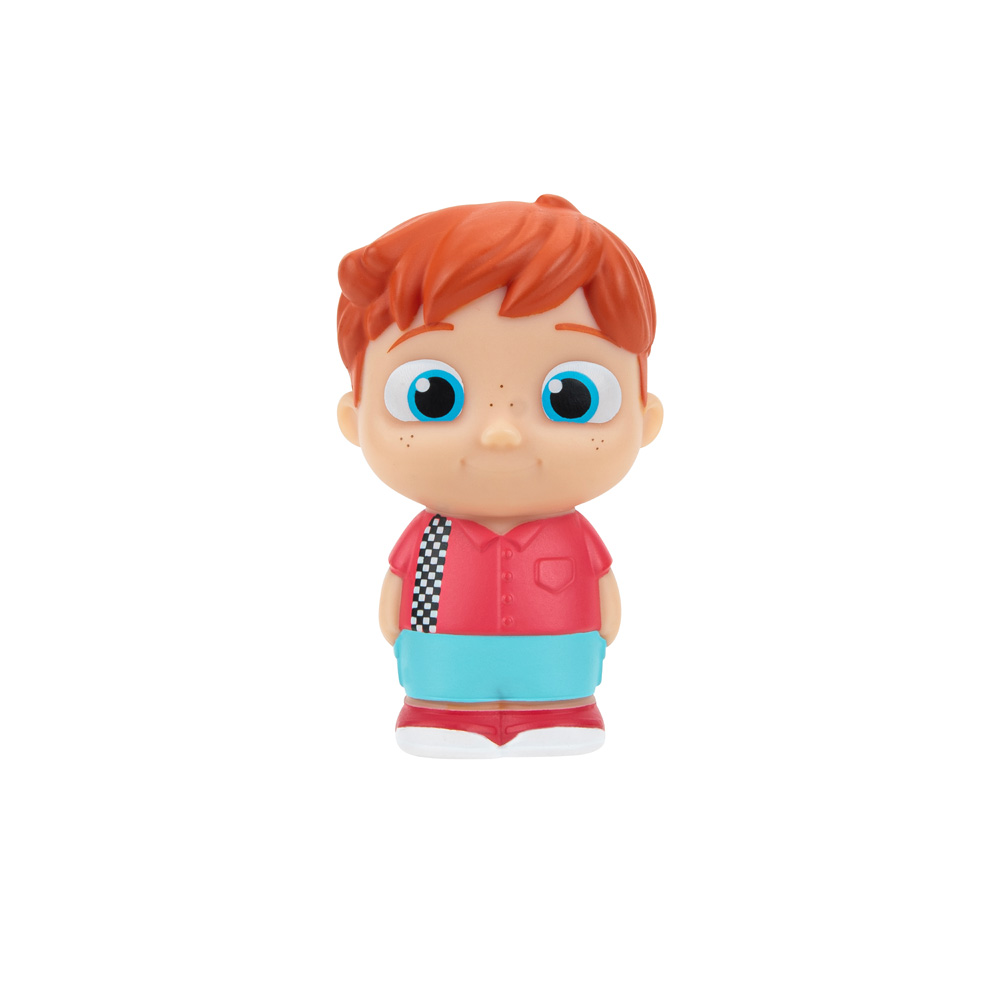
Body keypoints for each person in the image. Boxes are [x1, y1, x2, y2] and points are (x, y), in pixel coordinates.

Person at [336, 195, 662, 757]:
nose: (501, 434)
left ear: (645, 418)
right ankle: (440, 714)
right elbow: (396, 597)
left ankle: (561, 712)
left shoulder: (572, 536)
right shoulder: (430, 539)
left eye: (573, 397)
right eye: (433, 397)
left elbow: (605, 599)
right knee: (443, 707)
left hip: (559, 669)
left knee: (558, 708)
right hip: (442, 669)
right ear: (354, 418)